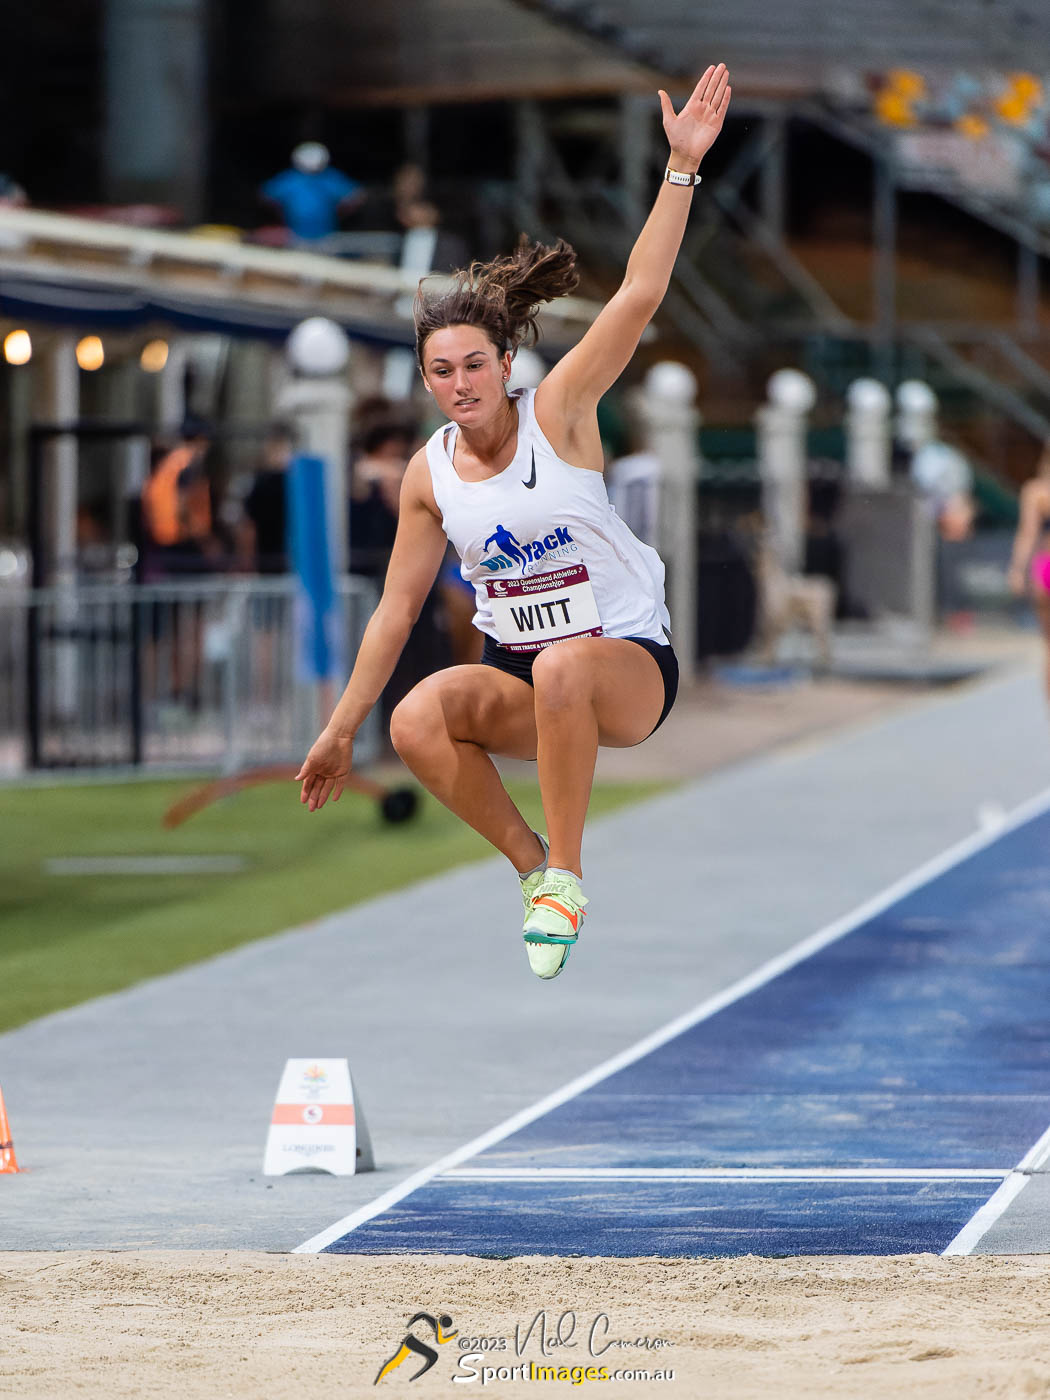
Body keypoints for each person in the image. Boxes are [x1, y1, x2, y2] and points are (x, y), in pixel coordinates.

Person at [296, 64, 731, 980]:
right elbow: (394, 611)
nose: (460, 385)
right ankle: (534, 870)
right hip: (523, 678)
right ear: (425, 381)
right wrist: (340, 728)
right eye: (441, 372)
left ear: (505, 362)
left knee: (570, 662)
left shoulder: (562, 410)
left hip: (623, 665)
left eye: (474, 365)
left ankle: (568, 875)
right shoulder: (429, 476)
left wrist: (681, 167)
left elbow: (640, 297)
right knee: (417, 719)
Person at [1009, 439, 1050, 698]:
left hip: (1045, 565)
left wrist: (1016, 569)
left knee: (1048, 644)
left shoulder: (1036, 491)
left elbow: (1027, 534)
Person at [260, 142, 363, 243]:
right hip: (294, 236)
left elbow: (356, 196)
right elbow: (267, 195)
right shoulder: (290, 178)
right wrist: (282, 215)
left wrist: (337, 214)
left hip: (327, 236)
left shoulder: (330, 177)